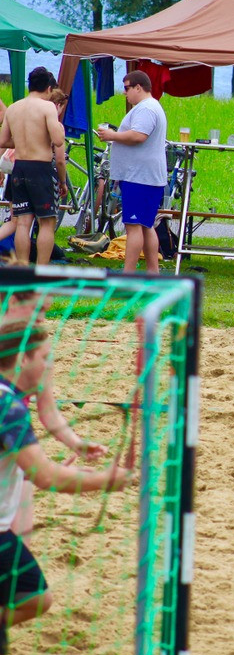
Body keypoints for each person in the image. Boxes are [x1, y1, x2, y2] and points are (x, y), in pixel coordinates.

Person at [0, 320, 132, 655]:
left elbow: (34, 469)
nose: (51, 367)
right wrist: (106, 480)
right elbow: (46, 477)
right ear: (22, 360)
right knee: (34, 597)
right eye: (46, 358)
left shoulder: (10, 400)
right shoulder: (9, 408)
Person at [1, 290, 107, 544]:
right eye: (37, 310)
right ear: (13, 301)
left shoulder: (36, 349)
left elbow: (48, 410)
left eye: (46, 311)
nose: (42, 318)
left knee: (19, 547)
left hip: (15, 449)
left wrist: (76, 443)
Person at [95, 71, 167, 273]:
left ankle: (128, 274)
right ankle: (153, 272)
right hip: (145, 176)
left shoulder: (146, 109)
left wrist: (113, 135)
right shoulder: (150, 107)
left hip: (140, 177)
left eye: (127, 88)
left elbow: (138, 136)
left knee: (133, 226)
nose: (125, 93)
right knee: (146, 225)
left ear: (138, 87)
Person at [0, 67, 66, 266]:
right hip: (40, 169)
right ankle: (42, 269)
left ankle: (22, 266)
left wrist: (23, 141)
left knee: (22, 221)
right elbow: (58, 140)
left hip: (19, 169)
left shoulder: (13, 108)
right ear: (48, 88)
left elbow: (3, 140)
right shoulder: (47, 108)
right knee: (47, 221)